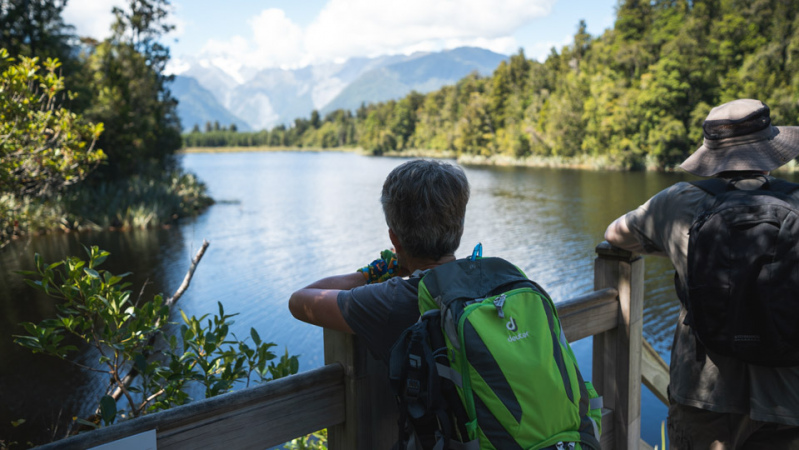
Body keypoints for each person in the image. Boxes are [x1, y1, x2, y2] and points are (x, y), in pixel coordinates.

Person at [605, 99, 799, 449]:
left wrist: (671, 242)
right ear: (771, 149)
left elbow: (615, 235)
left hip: (704, 396)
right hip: (789, 396)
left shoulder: (676, 202)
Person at [288, 158, 470, 364]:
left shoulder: (393, 301)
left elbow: (299, 301)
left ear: (394, 239)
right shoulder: (504, 278)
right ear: (460, 228)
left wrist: (375, 272)